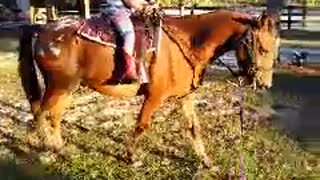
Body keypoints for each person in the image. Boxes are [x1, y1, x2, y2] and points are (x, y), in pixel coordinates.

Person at [100, 0, 157, 82]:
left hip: (123, 9)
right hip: (115, 9)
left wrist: (148, 4)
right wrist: (142, 7)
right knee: (129, 33)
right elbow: (130, 1)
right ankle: (128, 68)